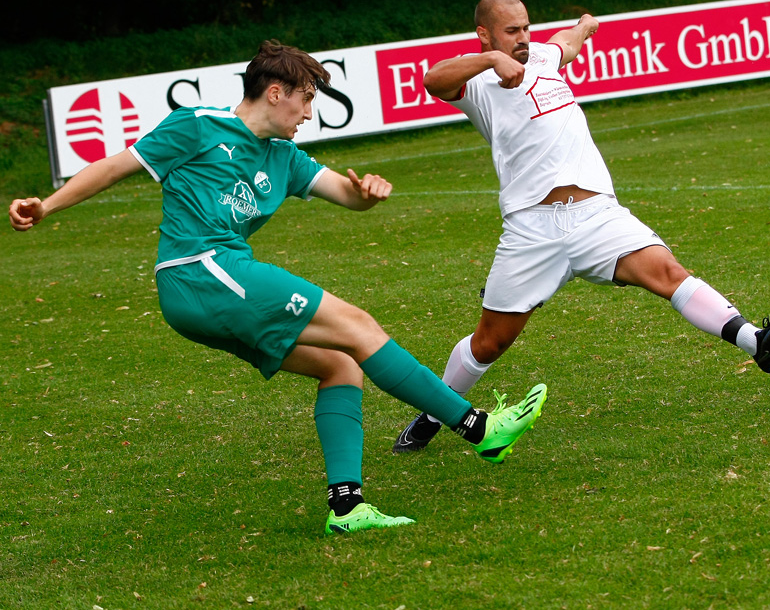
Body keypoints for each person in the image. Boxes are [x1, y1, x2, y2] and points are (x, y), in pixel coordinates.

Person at [9, 39, 548, 534]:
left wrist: (368, 192)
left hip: (211, 289)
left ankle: (347, 507)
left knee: (340, 364)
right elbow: (114, 167)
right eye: (306, 99)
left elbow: (345, 192)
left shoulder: (284, 158)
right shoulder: (197, 125)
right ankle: (478, 428)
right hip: (200, 270)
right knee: (358, 326)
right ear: (275, 92)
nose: (310, 113)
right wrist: (46, 205)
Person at [393, 0, 770, 452]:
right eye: (511, 32)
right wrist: (490, 59)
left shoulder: (543, 56)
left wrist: (585, 26)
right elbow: (432, 79)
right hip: (532, 229)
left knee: (669, 273)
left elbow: (565, 44)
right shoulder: (478, 84)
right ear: (485, 35)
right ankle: (431, 417)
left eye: (526, 28)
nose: (523, 39)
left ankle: (758, 342)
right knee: (489, 343)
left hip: (596, 216)